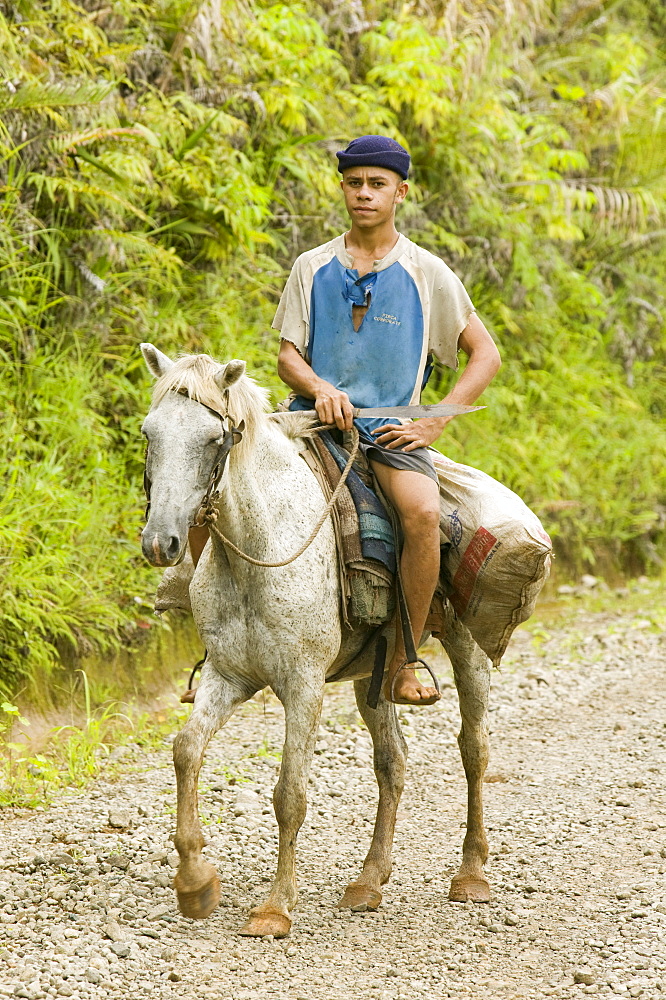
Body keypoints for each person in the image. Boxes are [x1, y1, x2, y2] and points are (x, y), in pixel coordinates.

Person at [274, 135, 501, 707]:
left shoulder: (428, 272)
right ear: (342, 188)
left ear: (401, 192)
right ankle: (216, 646)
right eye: (355, 183)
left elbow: (486, 353)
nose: (364, 194)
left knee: (423, 514)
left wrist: (434, 421)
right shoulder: (312, 266)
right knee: (220, 476)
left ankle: (405, 659)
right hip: (311, 424)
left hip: (390, 431)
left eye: (377, 184)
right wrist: (320, 387)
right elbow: (287, 356)